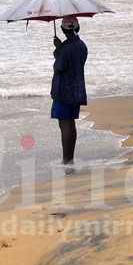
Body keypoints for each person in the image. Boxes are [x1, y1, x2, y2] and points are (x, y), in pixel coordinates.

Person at [51, 17, 88, 165]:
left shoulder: (66, 47)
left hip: (63, 91)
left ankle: (66, 160)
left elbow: (58, 68)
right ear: (78, 28)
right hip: (77, 90)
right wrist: (59, 49)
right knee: (71, 124)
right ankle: (70, 159)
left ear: (62, 29)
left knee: (64, 125)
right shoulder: (82, 45)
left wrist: (60, 51)